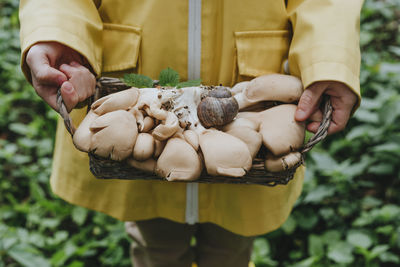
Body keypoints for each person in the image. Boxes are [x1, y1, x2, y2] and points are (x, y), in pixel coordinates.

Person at [19, 0, 363, 266]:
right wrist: (57, 31)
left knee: (233, 244)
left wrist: (328, 60)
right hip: (137, 102)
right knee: (155, 243)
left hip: (252, 107)